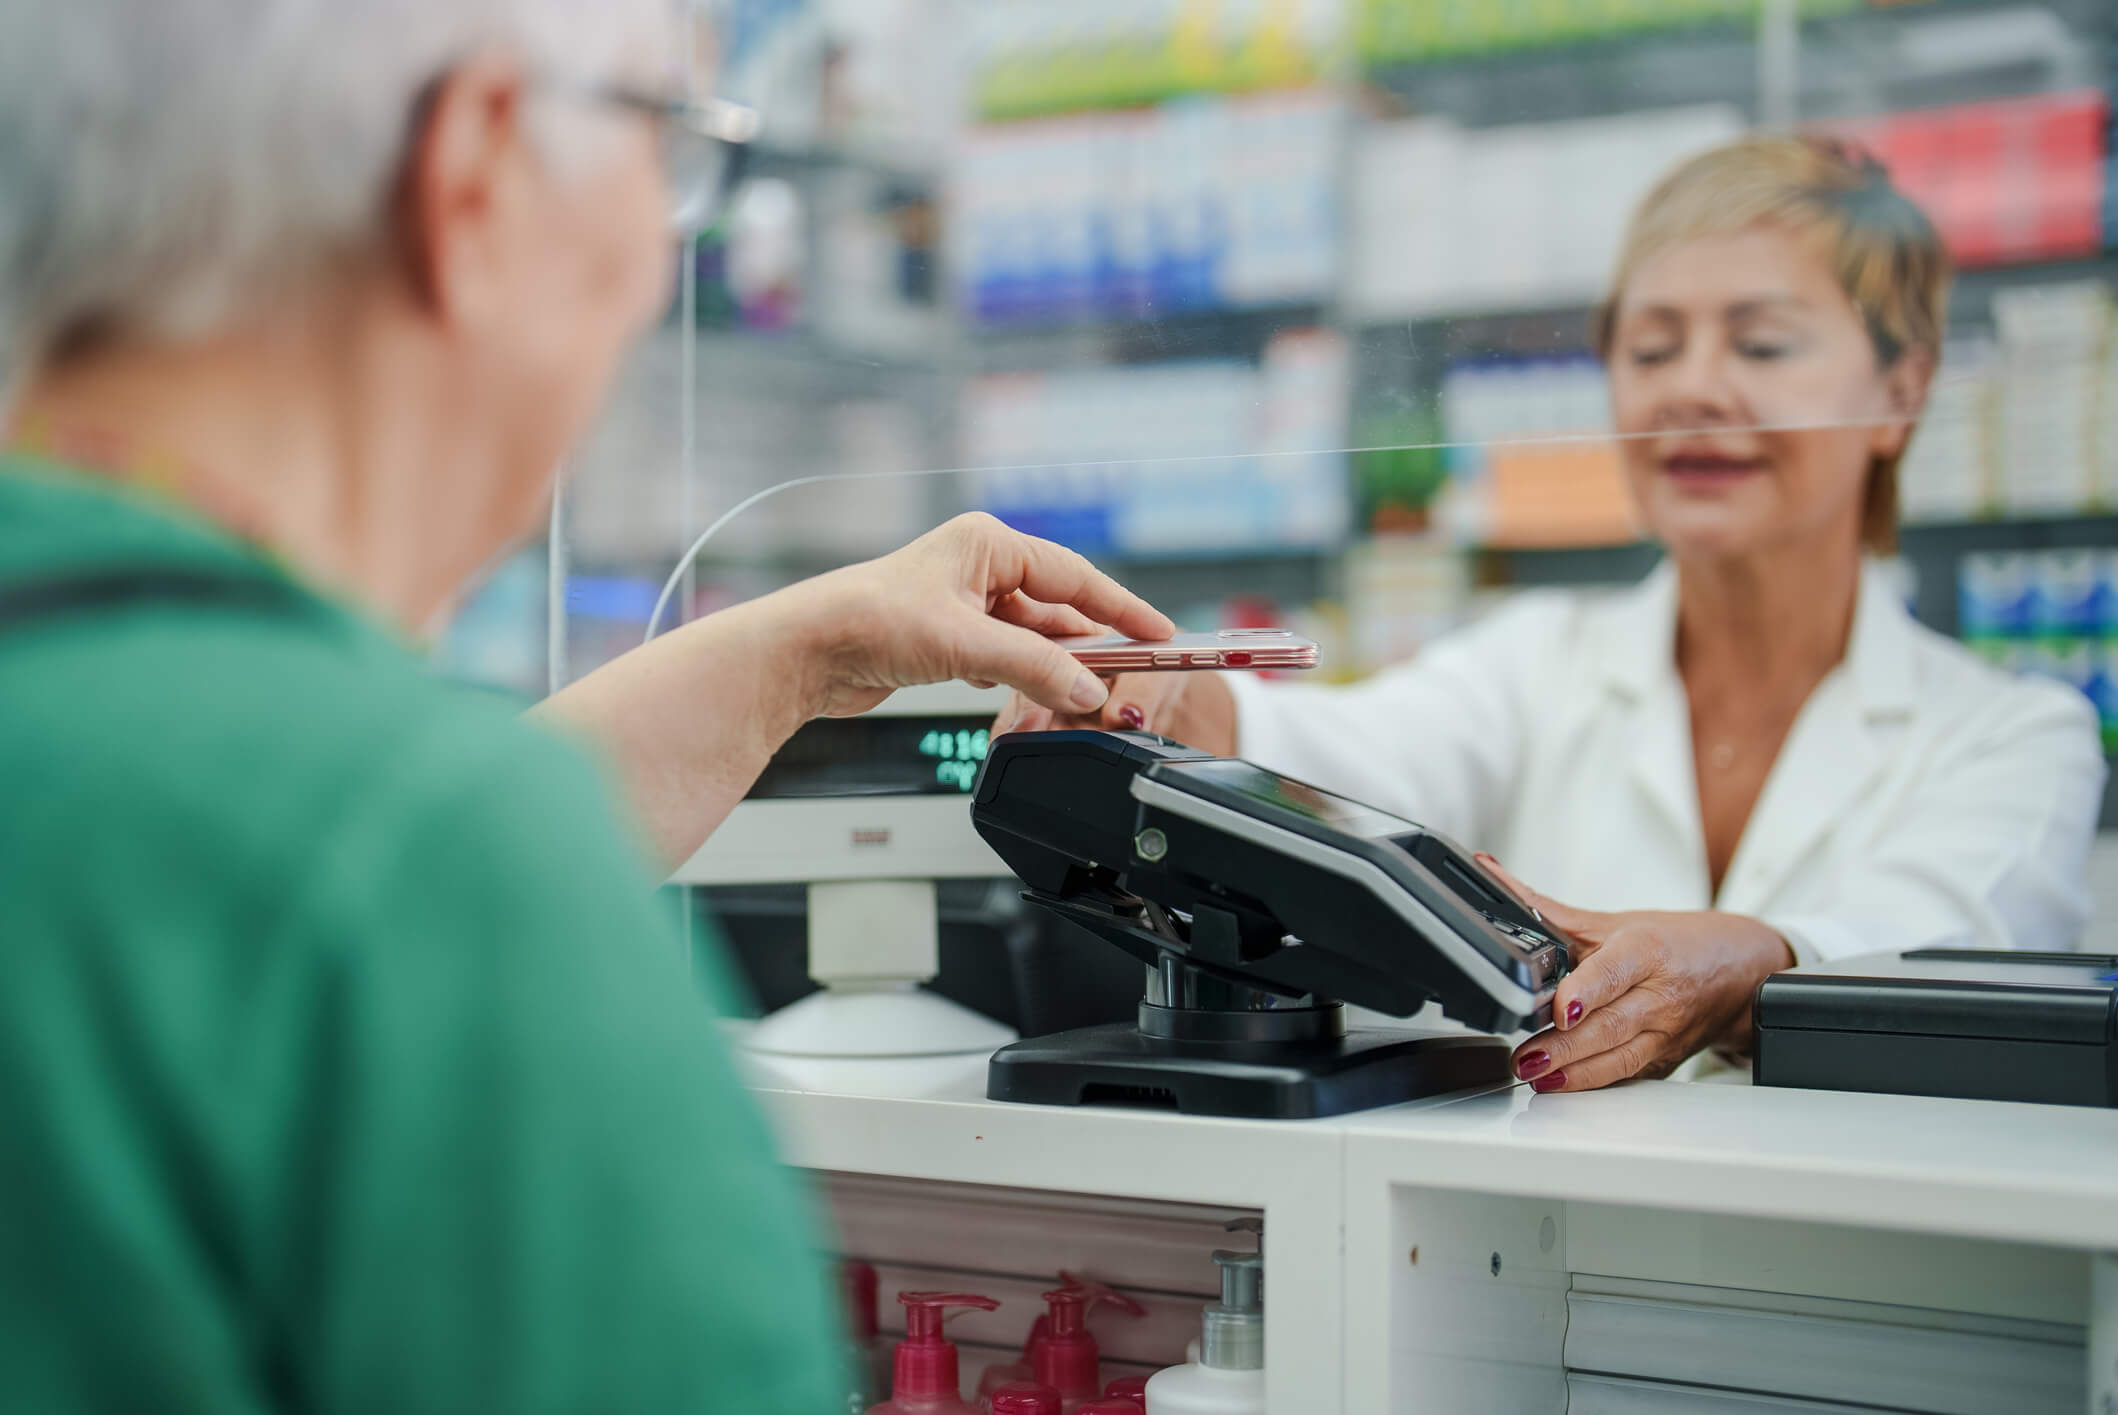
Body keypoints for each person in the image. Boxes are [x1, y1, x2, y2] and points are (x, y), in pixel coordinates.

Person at [0, 3, 1171, 1411]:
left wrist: (807, 653)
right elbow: (376, 886)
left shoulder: (209, 801)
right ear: (480, 166)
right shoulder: (429, 866)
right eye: (667, 146)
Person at [1005, 136, 2105, 1094]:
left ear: (1901, 392)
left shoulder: (2021, 735)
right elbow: (1342, 757)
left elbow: (1946, 945)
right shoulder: (1534, 664)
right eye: (1652, 347)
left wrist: (1749, 966)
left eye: (1761, 344)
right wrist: (1182, 693)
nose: (1693, 390)